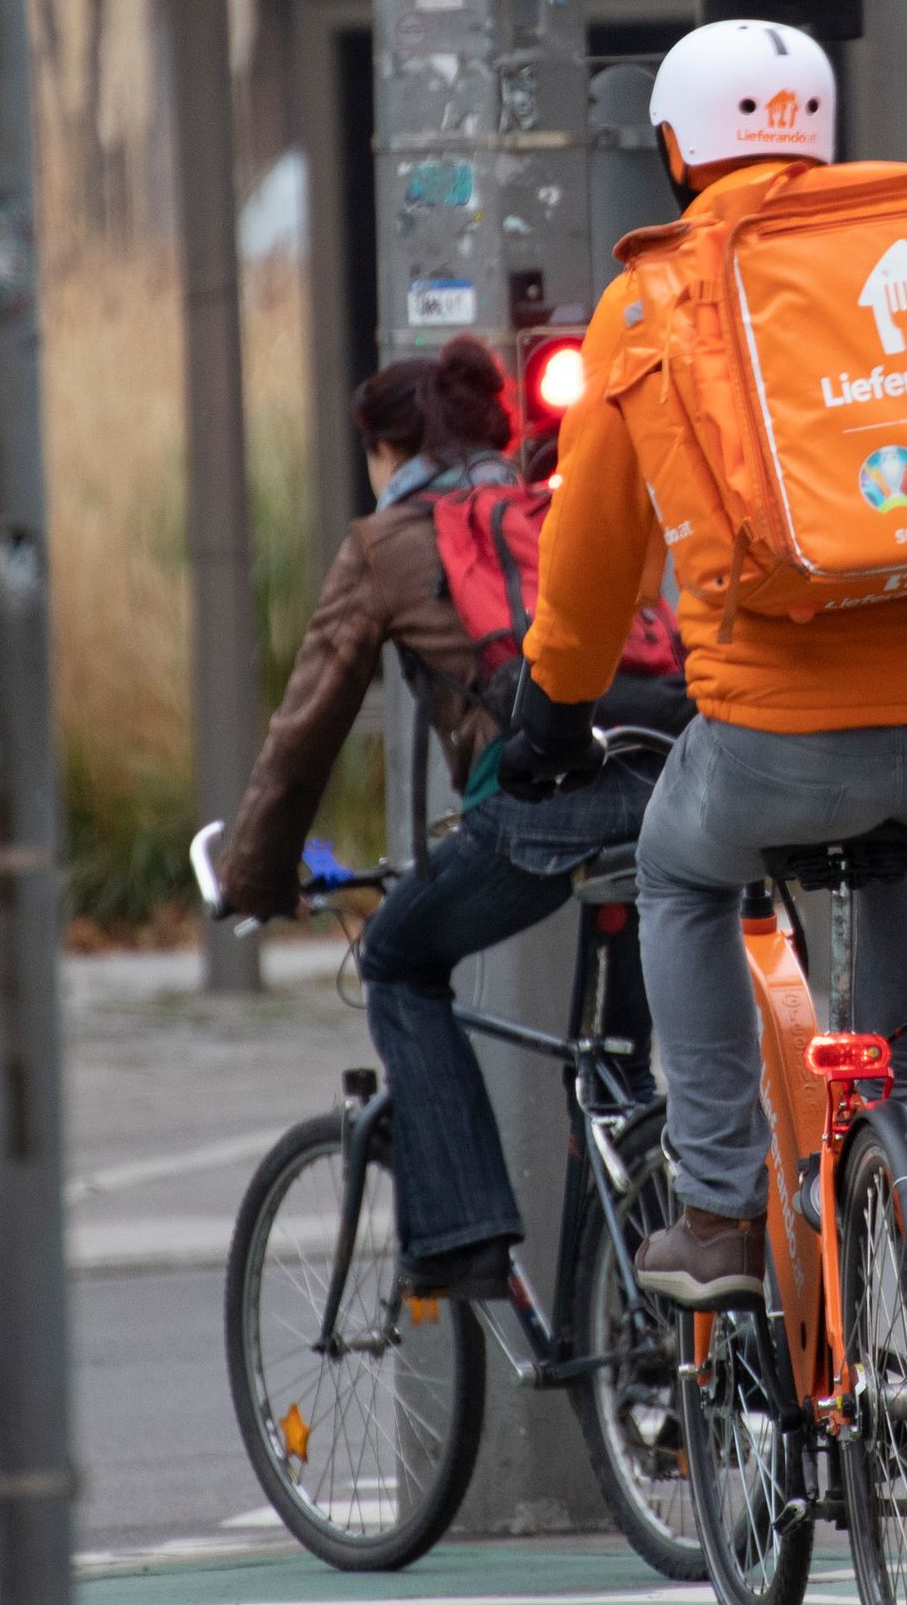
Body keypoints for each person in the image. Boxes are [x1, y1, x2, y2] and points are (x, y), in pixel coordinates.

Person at [502, 18, 907, 1531]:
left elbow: (590, 575)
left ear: (678, 148)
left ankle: (722, 1211)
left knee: (681, 874)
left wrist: (546, 717)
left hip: (774, 745)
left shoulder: (656, 300)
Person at [207, 338, 659, 1296]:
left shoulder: (387, 544)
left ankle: (466, 1231)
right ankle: (651, 1304)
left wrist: (256, 874)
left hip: (542, 811)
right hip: (666, 783)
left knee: (398, 960)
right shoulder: (551, 505)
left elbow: (303, 734)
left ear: (387, 450)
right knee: (620, 1071)